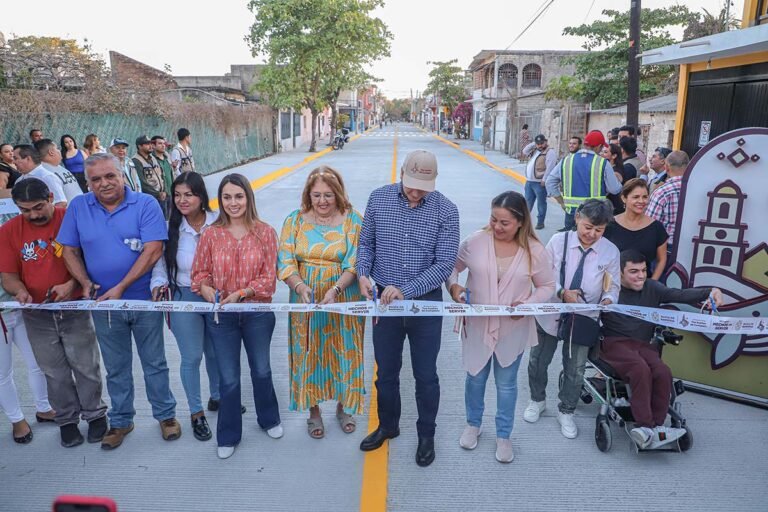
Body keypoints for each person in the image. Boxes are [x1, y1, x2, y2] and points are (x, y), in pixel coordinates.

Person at [58, 153, 179, 450]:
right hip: (104, 305)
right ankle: (122, 421)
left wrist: (122, 286)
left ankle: (166, 416)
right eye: (95, 179)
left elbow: (152, 250)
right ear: (87, 183)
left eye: (110, 176)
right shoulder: (78, 207)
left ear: (122, 174)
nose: (104, 183)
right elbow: (68, 249)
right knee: (116, 367)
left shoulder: (145, 204)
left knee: (155, 363)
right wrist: (85, 282)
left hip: (143, 300)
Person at [356, 149, 460, 467]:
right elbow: (367, 243)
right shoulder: (379, 199)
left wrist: (406, 290)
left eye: (422, 187)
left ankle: (426, 434)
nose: (415, 192)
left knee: (426, 375)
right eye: (410, 184)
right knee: (385, 372)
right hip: (384, 302)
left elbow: (444, 265)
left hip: (424, 304)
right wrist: (363, 273)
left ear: (434, 181)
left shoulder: (447, 211)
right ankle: (388, 425)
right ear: (401, 172)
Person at [447, 191, 555, 463]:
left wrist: (528, 303)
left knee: (506, 385)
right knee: (475, 378)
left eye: (504, 222)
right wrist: (455, 288)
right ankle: (473, 424)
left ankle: (504, 435)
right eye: (493, 219)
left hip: (513, 328)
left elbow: (547, 286)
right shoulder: (474, 242)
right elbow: (451, 268)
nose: (496, 227)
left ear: (520, 221)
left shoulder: (534, 250)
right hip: (478, 325)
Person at [0, 178, 107, 448]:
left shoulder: (69, 218)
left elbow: (89, 259)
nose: (34, 215)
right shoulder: (9, 231)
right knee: (53, 371)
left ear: (50, 197)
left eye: (38, 207)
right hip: (37, 313)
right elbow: (8, 276)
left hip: (73, 308)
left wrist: (71, 283)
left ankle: (95, 415)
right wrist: (19, 291)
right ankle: (67, 420)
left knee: (86, 365)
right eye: (25, 210)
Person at [191, 173, 282, 459]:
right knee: (228, 378)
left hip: (257, 313)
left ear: (248, 198)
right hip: (222, 318)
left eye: (239, 196)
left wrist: (241, 294)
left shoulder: (265, 232)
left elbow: (270, 279)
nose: (233, 203)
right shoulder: (211, 233)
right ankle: (228, 434)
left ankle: (269, 419)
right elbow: (199, 273)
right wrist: (206, 290)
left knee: (262, 369)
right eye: (227, 197)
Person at [601, 249, 723, 448]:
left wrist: (711, 291)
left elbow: (679, 294)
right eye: (633, 271)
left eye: (643, 270)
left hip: (643, 343)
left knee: (663, 372)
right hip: (615, 343)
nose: (640, 275)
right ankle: (644, 426)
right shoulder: (608, 289)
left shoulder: (652, 287)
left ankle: (657, 426)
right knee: (639, 369)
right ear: (620, 272)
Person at [277, 166, 365, 439]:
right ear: (308, 195)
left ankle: (344, 407)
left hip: (344, 296)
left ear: (338, 194)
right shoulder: (294, 221)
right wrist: (300, 285)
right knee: (309, 352)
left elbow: (354, 262)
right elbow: (286, 261)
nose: (323, 201)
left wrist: (336, 290)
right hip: (306, 299)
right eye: (317, 195)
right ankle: (313, 412)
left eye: (328, 195)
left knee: (345, 351)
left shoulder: (353, 220)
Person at [524, 199, 620, 439]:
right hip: (550, 313)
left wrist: (608, 300)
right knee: (538, 361)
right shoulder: (558, 241)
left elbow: (613, 286)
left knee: (575, 369)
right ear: (577, 217)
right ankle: (537, 400)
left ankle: (566, 410)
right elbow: (540, 276)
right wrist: (561, 293)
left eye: (599, 230)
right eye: (588, 227)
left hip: (584, 318)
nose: (592, 234)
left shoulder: (610, 251)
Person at [151, 172, 220, 442]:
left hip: (216, 298)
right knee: (192, 356)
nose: (182, 200)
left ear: (201, 196)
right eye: (177, 195)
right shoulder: (170, 228)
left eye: (188, 194)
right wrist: (157, 284)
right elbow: (159, 264)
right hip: (183, 296)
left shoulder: (219, 223)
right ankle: (196, 413)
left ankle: (218, 397)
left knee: (216, 353)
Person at [0, 207, 55, 445]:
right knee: (3, 373)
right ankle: (16, 419)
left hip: (21, 307)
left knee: (38, 362)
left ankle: (44, 407)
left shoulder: (9, 218)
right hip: (2, 315)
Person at [545, 130, 622, 232]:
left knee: (571, 245)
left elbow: (549, 182)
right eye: (602, 147)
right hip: (597, 214)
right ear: (598, 146)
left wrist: (561, 202)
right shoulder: (602, 163)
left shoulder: (566, 160)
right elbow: (615, 189)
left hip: (572, 214)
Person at [605, 179, 668, 280]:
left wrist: (651, 284)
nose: (641, 201)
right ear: (624, 198)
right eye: (636, 197)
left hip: (643, 285)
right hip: (614, 286)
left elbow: (662, 259)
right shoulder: (610, 225)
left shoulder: (657, 227)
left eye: (645, 197)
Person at [646, 150, 688, 252]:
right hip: (691, 248)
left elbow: (649, 224)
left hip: (667, 249)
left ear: (667, 167)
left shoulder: (662, 192)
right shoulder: (699, 190)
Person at [522, 134, 558, 230]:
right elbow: (524, 151)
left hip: (539, 183)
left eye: (542, 143)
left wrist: (544, 180)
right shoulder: (535, 150)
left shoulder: (550, 152)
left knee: (541, 204)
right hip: (529, 182)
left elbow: (550, 167)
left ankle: (540, 222)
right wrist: (534, 143)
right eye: (538, 144)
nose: (540, 145)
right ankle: (525, 222)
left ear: (546, 142)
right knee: (527, 203)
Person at [34, 139, 83, 203]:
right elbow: (59, 203)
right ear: (51, 152)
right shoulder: (44, 173)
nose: (59, 151)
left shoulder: (57, 167)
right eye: (57, 148)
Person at [132, 136, 168, 218]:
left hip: (162, 196)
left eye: (151, 143)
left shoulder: (153, 158)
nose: (151, 146)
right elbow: (142, 182)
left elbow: (162, 175)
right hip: (150, 198)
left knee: (165, 221)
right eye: (147, 144)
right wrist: (157, 194)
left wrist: (164, 190)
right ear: (139, 146)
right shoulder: (136, 161)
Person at [600, 143, 627, 215]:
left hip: (614, 208)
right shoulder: (607, 168)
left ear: (614, 156)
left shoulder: (617, 170)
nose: (602, 154)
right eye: (602, 151)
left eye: (605, 152)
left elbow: (617, 181)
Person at [151, 136, 174, 215]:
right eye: (160, 143)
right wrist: (159, 192)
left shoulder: (167, 158)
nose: (163, 145)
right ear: (153, 146)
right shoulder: (152, 160)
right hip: (161, 196)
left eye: (164, 143)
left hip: (171, 194)